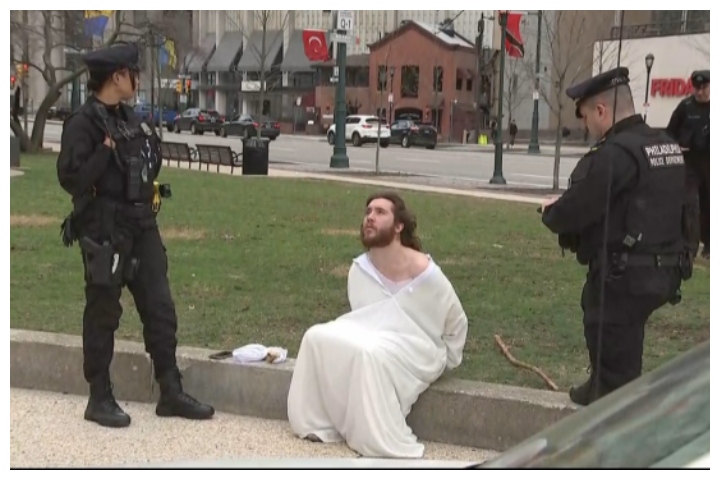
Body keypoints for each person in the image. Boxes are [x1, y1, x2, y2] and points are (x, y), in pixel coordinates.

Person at [56, 43, 214, 428]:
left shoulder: (131, 117)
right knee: (103, 312)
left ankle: (170, 390)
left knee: (160, 306)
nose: (136, 79)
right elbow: (70, 177)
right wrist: (103, 152)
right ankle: (99, 396)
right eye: (132, 72)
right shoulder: (83, 124)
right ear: (117, 77)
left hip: (142, 225)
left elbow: (150, 159)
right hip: (105, 229)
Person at [540, 67, 691, 407]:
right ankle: (601, 383)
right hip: (664, 268)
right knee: (619, 345)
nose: (586, 127)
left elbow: (574, 211)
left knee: (614, 376)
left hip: (625, 277)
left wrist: (551, 212)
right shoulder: (664, 145)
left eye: (585, 117)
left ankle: (612, 421)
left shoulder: (615, 154)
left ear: (601, 111)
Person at [287, 192, 469, 458]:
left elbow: (457, 323)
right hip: (372, 335)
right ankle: (318, 423)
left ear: (399, 226)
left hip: (418, 348)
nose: (370, 217)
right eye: (368, 211)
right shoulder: (360, 269)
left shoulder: (426, 274)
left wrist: (445, 361)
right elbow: (363, 317)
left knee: (370, 353)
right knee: (315, 336)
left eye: (380, 212)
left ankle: (374, 438)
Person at [666, 70, 710, 259]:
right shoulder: (685, 107)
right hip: (690, 162)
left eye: (704, 88)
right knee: (691, 205)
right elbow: (670, 132)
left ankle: (709, 246)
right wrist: (676, 146)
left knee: (709, 205)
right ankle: (690, 247)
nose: (700, 92)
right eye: (697, 88)